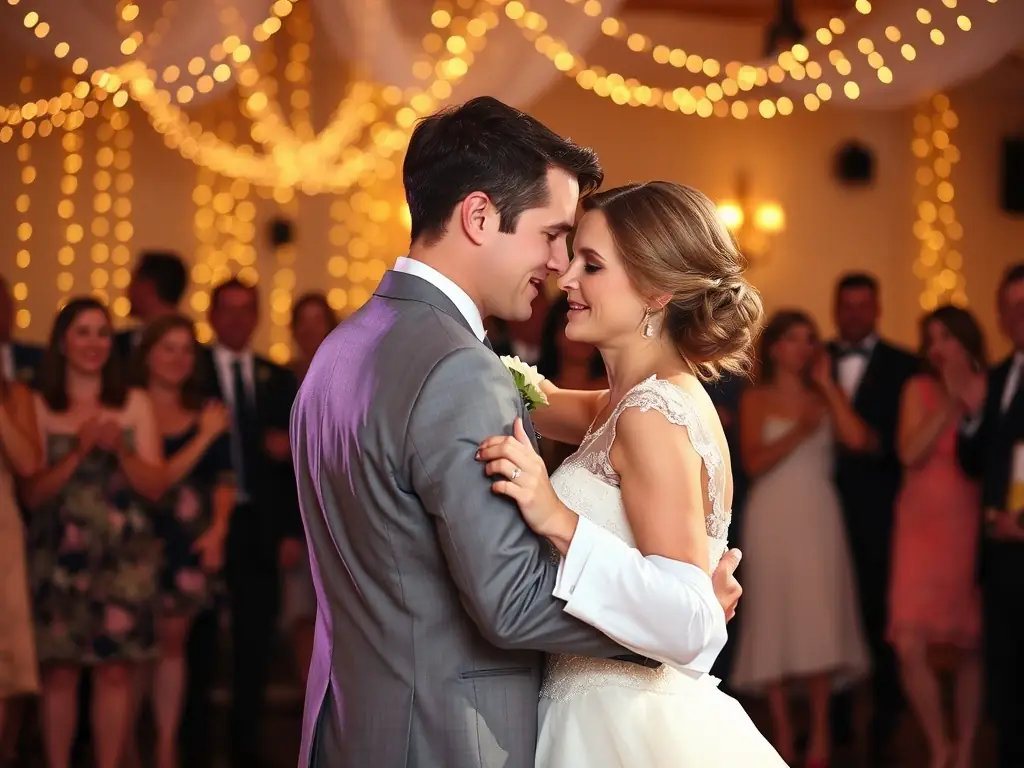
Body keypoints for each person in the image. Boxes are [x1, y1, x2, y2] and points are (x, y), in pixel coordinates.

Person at [290, 97, 744, 768]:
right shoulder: (458, 371)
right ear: (479, 216)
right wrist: (682, 625)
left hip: (358, 718)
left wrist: (675, 613)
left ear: (656, 291)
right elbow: (511, 603)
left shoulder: (346, 347)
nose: (560, 268)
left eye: (587, 258)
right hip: (444, 733)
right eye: (554, 236)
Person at [474, 180, 785, 766]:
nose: (565, 279)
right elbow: (527, 392)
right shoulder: (619, 405)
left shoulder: (651, 416)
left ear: (657, 291)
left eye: (591, 265)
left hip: (620, 722)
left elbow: (688, 618)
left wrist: (556, 517)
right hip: (595, 702)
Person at [730, 311, 870, 766]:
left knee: (818, 617)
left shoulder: (822, 396)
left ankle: (822, 734)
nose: (804, 348)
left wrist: (828, 388)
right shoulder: (757, 399)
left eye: (810, 340)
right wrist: (801, 429)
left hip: (818, 516)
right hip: (771, 517)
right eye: (794, 339)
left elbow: (859, 438)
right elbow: (753, 461)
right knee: (774, 617)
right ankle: (785, 737)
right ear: (774, 347)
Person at [889, 306, 986, 768]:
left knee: (969, 644)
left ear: (967, 340)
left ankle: (964, 749)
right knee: (909, 642)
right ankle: (938, 743)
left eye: (946, 337)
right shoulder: (917, 388)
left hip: (967, 523)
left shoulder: (992, 386)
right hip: (919, 526)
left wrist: (969, 397)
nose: (937, 348)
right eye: (931, 338)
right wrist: (949, 401)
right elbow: (909, 451)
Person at [955, 263, 1024, 767]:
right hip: (999, 555)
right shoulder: (996, 377)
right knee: (1005, 676)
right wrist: (974, 414)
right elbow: (974, 463)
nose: (1017, 315)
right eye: (1010, 306)